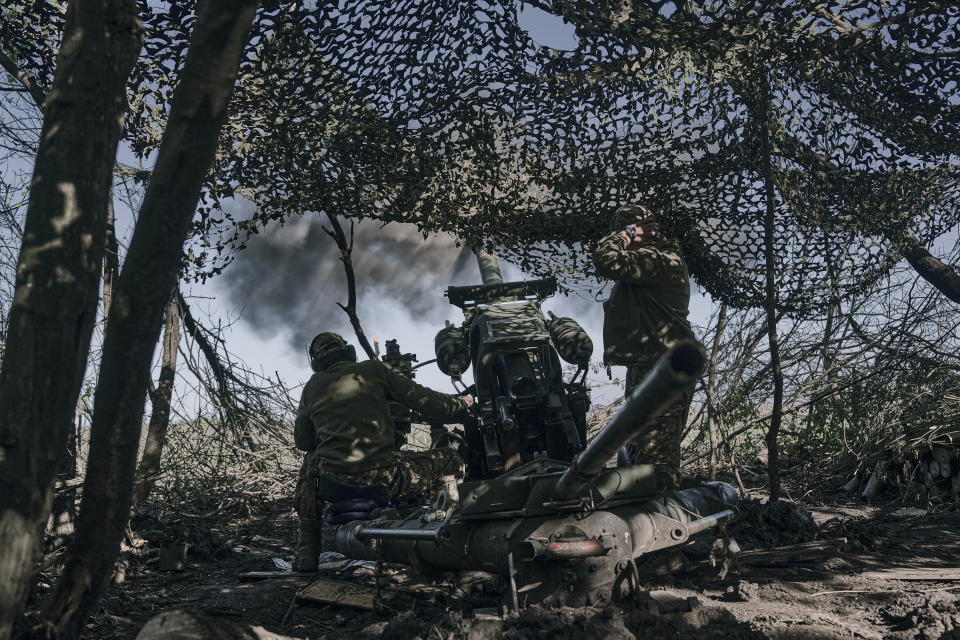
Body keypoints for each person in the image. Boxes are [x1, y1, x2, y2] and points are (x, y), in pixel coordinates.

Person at [293, 332, 473, 571]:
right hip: (387, 478)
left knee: (311, 461)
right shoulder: (374, 370)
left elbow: (303, 441)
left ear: (316, 361)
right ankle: (440, 530)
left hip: (336, 481)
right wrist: (461, 403)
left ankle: (308, 549)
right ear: (348, 351)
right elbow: (429, 402)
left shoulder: (311, 387)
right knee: (451, 459)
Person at [592, 204, 698, 484]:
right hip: (650, 367)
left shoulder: (660, 260)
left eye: (627, 232)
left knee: (655, 462)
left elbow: (606, 260)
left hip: (663, 372)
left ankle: (664, 520)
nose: (622, 240)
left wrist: (625, 234)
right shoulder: (649, 264)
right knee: (640, 454)